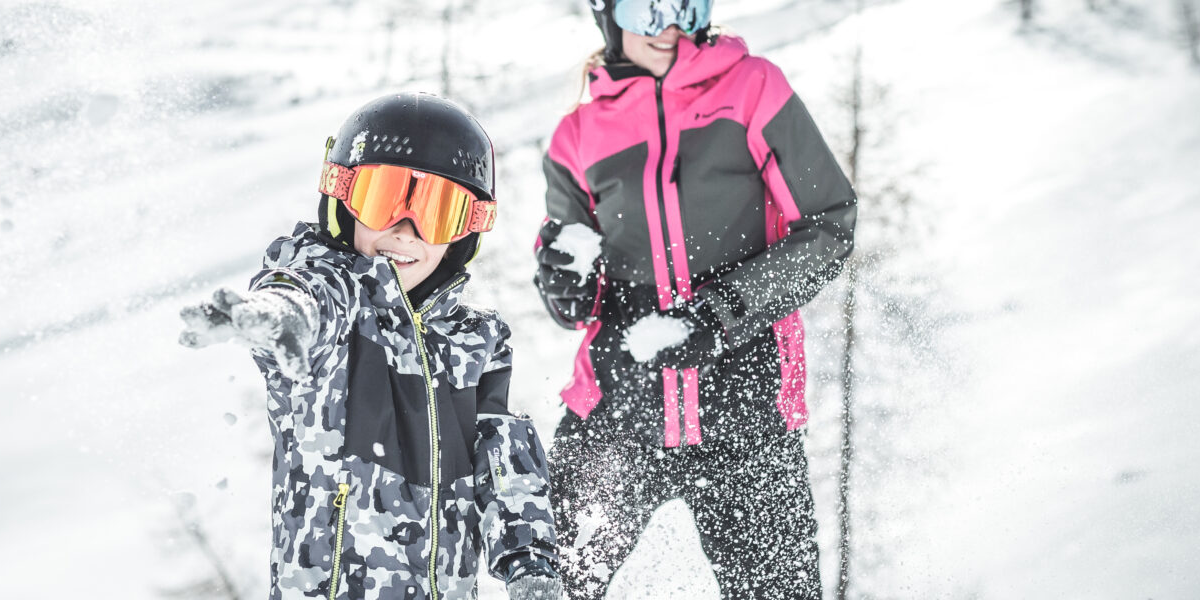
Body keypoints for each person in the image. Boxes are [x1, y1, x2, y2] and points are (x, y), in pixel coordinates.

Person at [179, 93, 562, 600]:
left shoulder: (476, 343)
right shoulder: (338, 310)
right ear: (344, 201)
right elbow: (307, 298)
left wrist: (530, 564)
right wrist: (280, 318)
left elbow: (501, 457)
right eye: (385, 200)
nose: (406, 231)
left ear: (465, 231)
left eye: (437, 211)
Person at [533, 1, 858, 598]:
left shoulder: (753, 90)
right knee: (550, 586)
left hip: (746, 407)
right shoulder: (576, 136)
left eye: (687, 5)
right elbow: (574, 303)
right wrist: (563, 279)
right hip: (618, 412)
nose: (670, 25)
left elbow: (828, 225)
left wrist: (720, 314)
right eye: (648, 9)